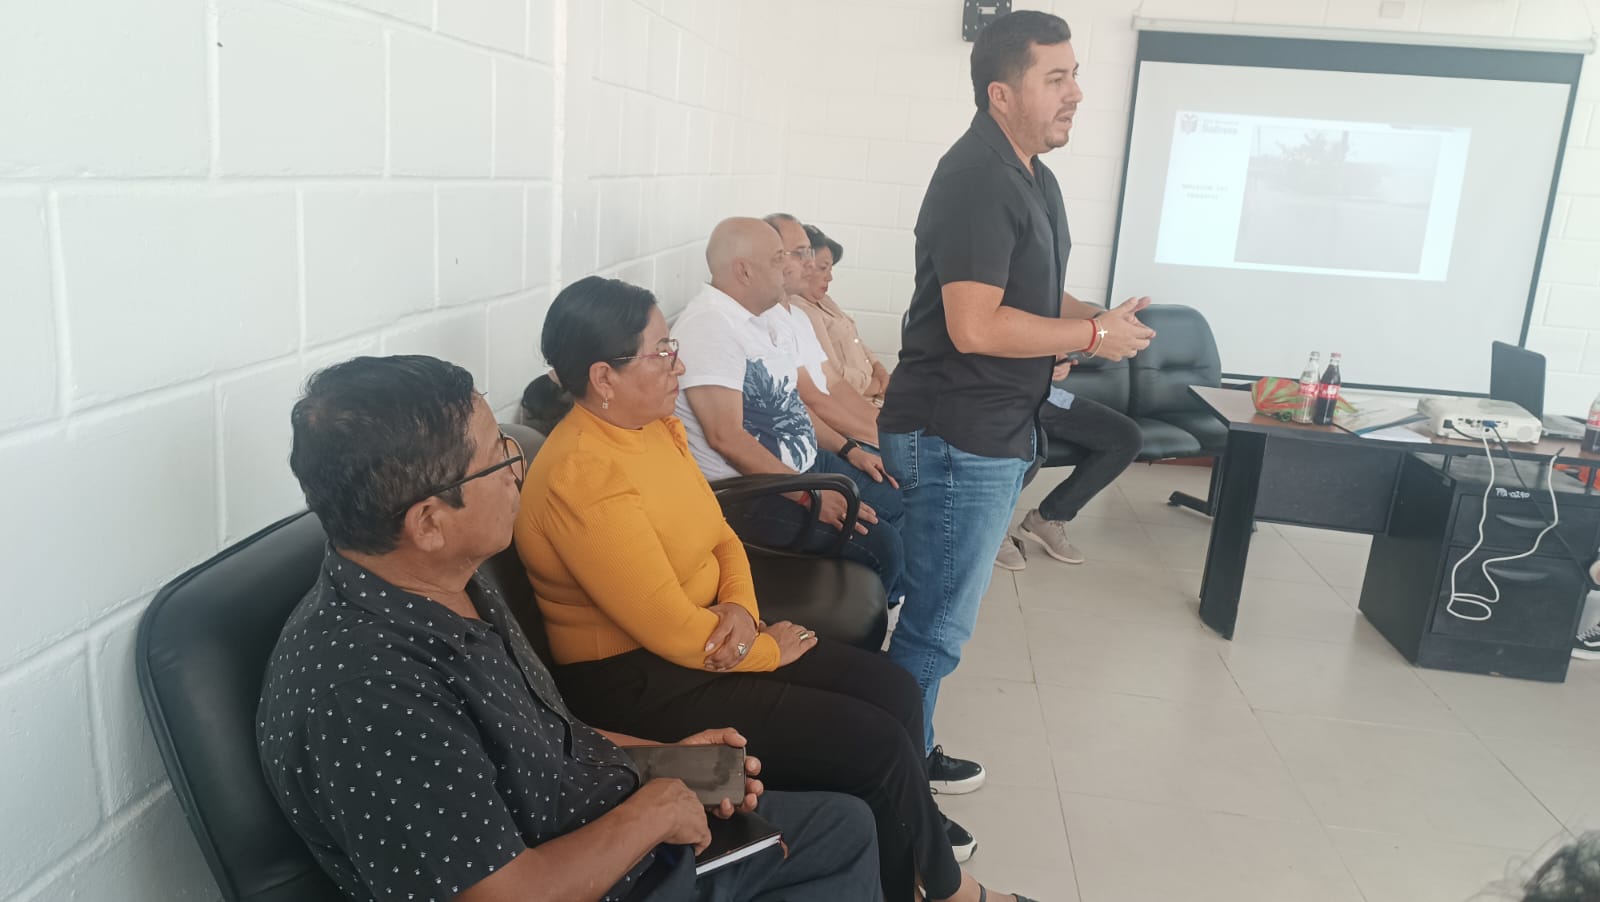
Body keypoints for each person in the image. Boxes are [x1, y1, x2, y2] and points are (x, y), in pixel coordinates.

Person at [258, 354, 882, 902]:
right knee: (840, 838)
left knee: (844, 824)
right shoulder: (366, 692)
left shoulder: (445, 583)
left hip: (597, 824)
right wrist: (651, 814)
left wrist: (662, 763)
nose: (517, 468)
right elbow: (499, 894)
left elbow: (539, 742)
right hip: (595, 877)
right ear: (427, 522)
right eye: (498, 457)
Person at [515, 276, 1036, 902]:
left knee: (895, 689)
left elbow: (721, 536)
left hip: (709, 635)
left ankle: (912, 872)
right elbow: (669, 630)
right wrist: (764, 650)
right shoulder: (582, 475)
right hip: (638, 680)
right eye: (662, 351)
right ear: (604, 376)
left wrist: (739, 606)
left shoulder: (652, 428)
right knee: (871, 743)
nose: (678, 364)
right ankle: (951, 891)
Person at [877, 9, 1155, 782]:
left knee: (938, 619)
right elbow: (974, 325)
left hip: (992, 428)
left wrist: (1095, 320)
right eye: (1056, 78)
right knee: (937, 627)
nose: (1076, 94)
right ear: (1001, 93)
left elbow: (1031, 293)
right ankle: (896, 780)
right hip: (955, 436)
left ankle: (899, 751)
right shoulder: (977, 179)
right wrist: (1090, 337)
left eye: (1075, 76)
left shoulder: (1033, 175)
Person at [672, 216, 906, 608]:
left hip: (801, 467)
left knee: (897, 496)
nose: (791, 266)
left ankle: (885, 606)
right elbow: (725, 437)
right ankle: (849, 629)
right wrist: (809, 496)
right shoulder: (710, 326)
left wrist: (849, 449)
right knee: (882, 547)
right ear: (744, 270)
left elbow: (789, 404)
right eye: (778, 257)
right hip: (750, 492)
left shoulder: (767, 317)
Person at [994, 366, 1144, 570]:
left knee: (1126, 437)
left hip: (1043, 396)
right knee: (1031, 444)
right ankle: (989, 527)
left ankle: (1049, 518)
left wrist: (1056, 359)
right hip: (996, 398)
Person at [765, 213, 885, 445]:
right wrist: (874, 442)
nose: (809, 264)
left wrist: (885, 431)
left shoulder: (799, 316)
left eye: (810, 255)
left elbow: (835, 383)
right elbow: (813, 400)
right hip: (829, 433)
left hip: (855, 416)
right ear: (772, 257)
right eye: (800, 254)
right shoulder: (772, 320)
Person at [792, 224, 891, 408]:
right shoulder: (801, 310)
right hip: (856, 403)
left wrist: (879, 369)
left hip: (875, 395)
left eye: (830, 269)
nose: (829, 277)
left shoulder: (824, 301)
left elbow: (857, 341)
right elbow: (832, 374)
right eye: (823, 268)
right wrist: (876, 385)